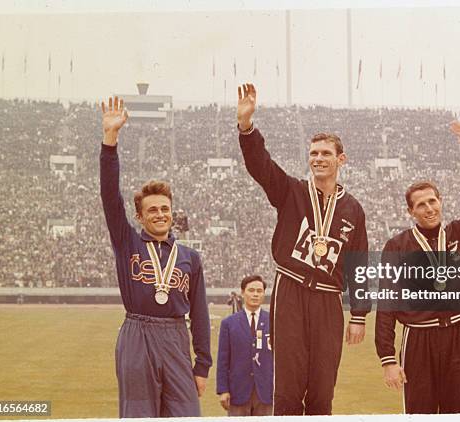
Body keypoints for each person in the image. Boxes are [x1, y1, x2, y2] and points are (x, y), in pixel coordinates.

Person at [236, 83, 371, 415]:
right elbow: (261, 167)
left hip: (328, 297)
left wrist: (358, 315)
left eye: (326, 153)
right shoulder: (291, 192)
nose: (319, 159)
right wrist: (246, 126)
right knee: (288, 389)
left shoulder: (353, 208)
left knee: (323, 389)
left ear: (341, 159)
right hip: (291, 291)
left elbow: (359, 264)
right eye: (313, 154)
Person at [375, 121, 460, 414]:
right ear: (411, 211)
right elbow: (387, 303)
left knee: (459, 412)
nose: (429, 208)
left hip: (458, 336)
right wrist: (388, 359)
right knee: (420, 413)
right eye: (421, 205)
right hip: (418, 338)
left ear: (441, 202)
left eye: (433, 201)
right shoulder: (398, 246)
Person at [99, 96, 212, 417]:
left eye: (165, 208)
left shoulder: (190, 257)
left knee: (186, 414)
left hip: (176, 337)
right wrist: (110, 140)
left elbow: (201, 315)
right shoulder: (128, 244)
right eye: (152, 210)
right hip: (137, 336)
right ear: (139, 216)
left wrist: (202, 364)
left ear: (172, 212)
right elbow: (110, 197)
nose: (160, 214)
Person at [216, 275, 273, 416]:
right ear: (243, 292)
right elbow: (223, 359)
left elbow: (281, 359)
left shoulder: (273, 321)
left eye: (259, 291)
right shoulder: (229, 323)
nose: (255, 294)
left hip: (266, 392)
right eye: (251, 290)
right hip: (238, 392)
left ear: (264, 294)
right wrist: (223, 390)